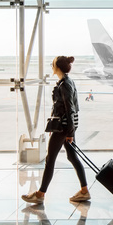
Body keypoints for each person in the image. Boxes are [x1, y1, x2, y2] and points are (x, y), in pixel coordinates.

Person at [22, 55, 90, 205]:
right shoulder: (66, 81)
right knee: (72, 157)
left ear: (57, 67)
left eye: (52, 64)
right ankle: (84, 191)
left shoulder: (65, 84)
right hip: (66, 126)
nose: (51, 66)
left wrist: (70, 133)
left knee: (50, 159)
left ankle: (40, 194)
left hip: (64, 127)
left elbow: (70, 109)